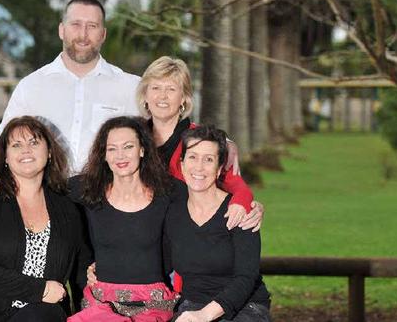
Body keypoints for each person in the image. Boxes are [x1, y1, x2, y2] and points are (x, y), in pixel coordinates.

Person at [0, 0, 140, 201]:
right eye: (76, 24)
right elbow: (5, 138)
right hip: (48, 201)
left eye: (92, 26)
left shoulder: (130, 87)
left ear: (103, 34)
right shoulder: (32, 86)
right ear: (61, 30)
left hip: (107, 203)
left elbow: (151, 141)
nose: (83, 34)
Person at [0, 116, 91, 321]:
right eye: (16, 145)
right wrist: (40, 290)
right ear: (5, 156)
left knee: (44, 314)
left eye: (34, 142)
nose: (26, 150)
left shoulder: (67, 209)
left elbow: (81, 273)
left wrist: (89, 312)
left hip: (40, 314)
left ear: (49, 152)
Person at [67, 116, 179, 321]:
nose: (120, 155)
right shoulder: (87, 190)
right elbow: (38, 186)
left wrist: (244, 203)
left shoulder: (168, 192)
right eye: (112, 149)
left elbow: (209, 191)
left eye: (128, 146)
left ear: (142, 150)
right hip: (101, 302)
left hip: (152, 303)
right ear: (104, 155)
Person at [136, 56, 261, 232]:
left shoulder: (203, 139)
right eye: (156, 88)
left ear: (184, 99)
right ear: (145, 95)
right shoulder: (133, 138)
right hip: (143, 237)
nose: (162, 96)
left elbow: (240, 188)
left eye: (171, 89)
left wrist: (242, 205)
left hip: (187, 235)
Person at [165, 126, 271, 322]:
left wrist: (205, 315)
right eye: (193, 157)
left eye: (209, 159)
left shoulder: (239, 211)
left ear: (220, 169)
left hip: (245, 307)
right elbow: (155, 260)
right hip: (192, 303)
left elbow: (245, 278)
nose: (199, 167)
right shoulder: (172, 212)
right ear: (181, 164)